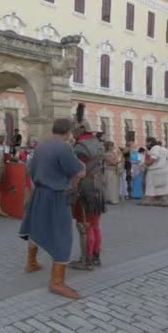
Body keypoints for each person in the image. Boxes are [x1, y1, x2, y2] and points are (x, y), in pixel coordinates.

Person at [19, 118, 86, 299]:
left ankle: (31, 262)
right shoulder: (63, 147)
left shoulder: (41, 147)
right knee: (63, 236)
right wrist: (79, 173)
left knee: (36, 227)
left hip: (40, 193)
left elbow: (30, 171)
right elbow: (78, 171)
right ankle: (56, 282)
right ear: (69, 132)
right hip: (56, 195)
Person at [68, 104, 106, 271]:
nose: (71, 131)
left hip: (85, 187)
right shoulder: (98, 143)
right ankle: (96, 256)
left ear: (80, 129)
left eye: (73, 128)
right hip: (98, 184)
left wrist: (71, 188)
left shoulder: (79, 147)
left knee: (84, 225)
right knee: (95, 224)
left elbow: (77, 171)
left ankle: (86, 260)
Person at [142, 137, 168, 207]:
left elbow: (154, 158)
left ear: (150, 142)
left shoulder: (155, 148)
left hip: (154, 170)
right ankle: (163, 199)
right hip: (164, 170)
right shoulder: (164, 149)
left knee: (150, 185)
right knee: (162, 185)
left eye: (146, 142)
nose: (146, 144)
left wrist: (145, 164)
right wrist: (164, 165)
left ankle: (149, 199)